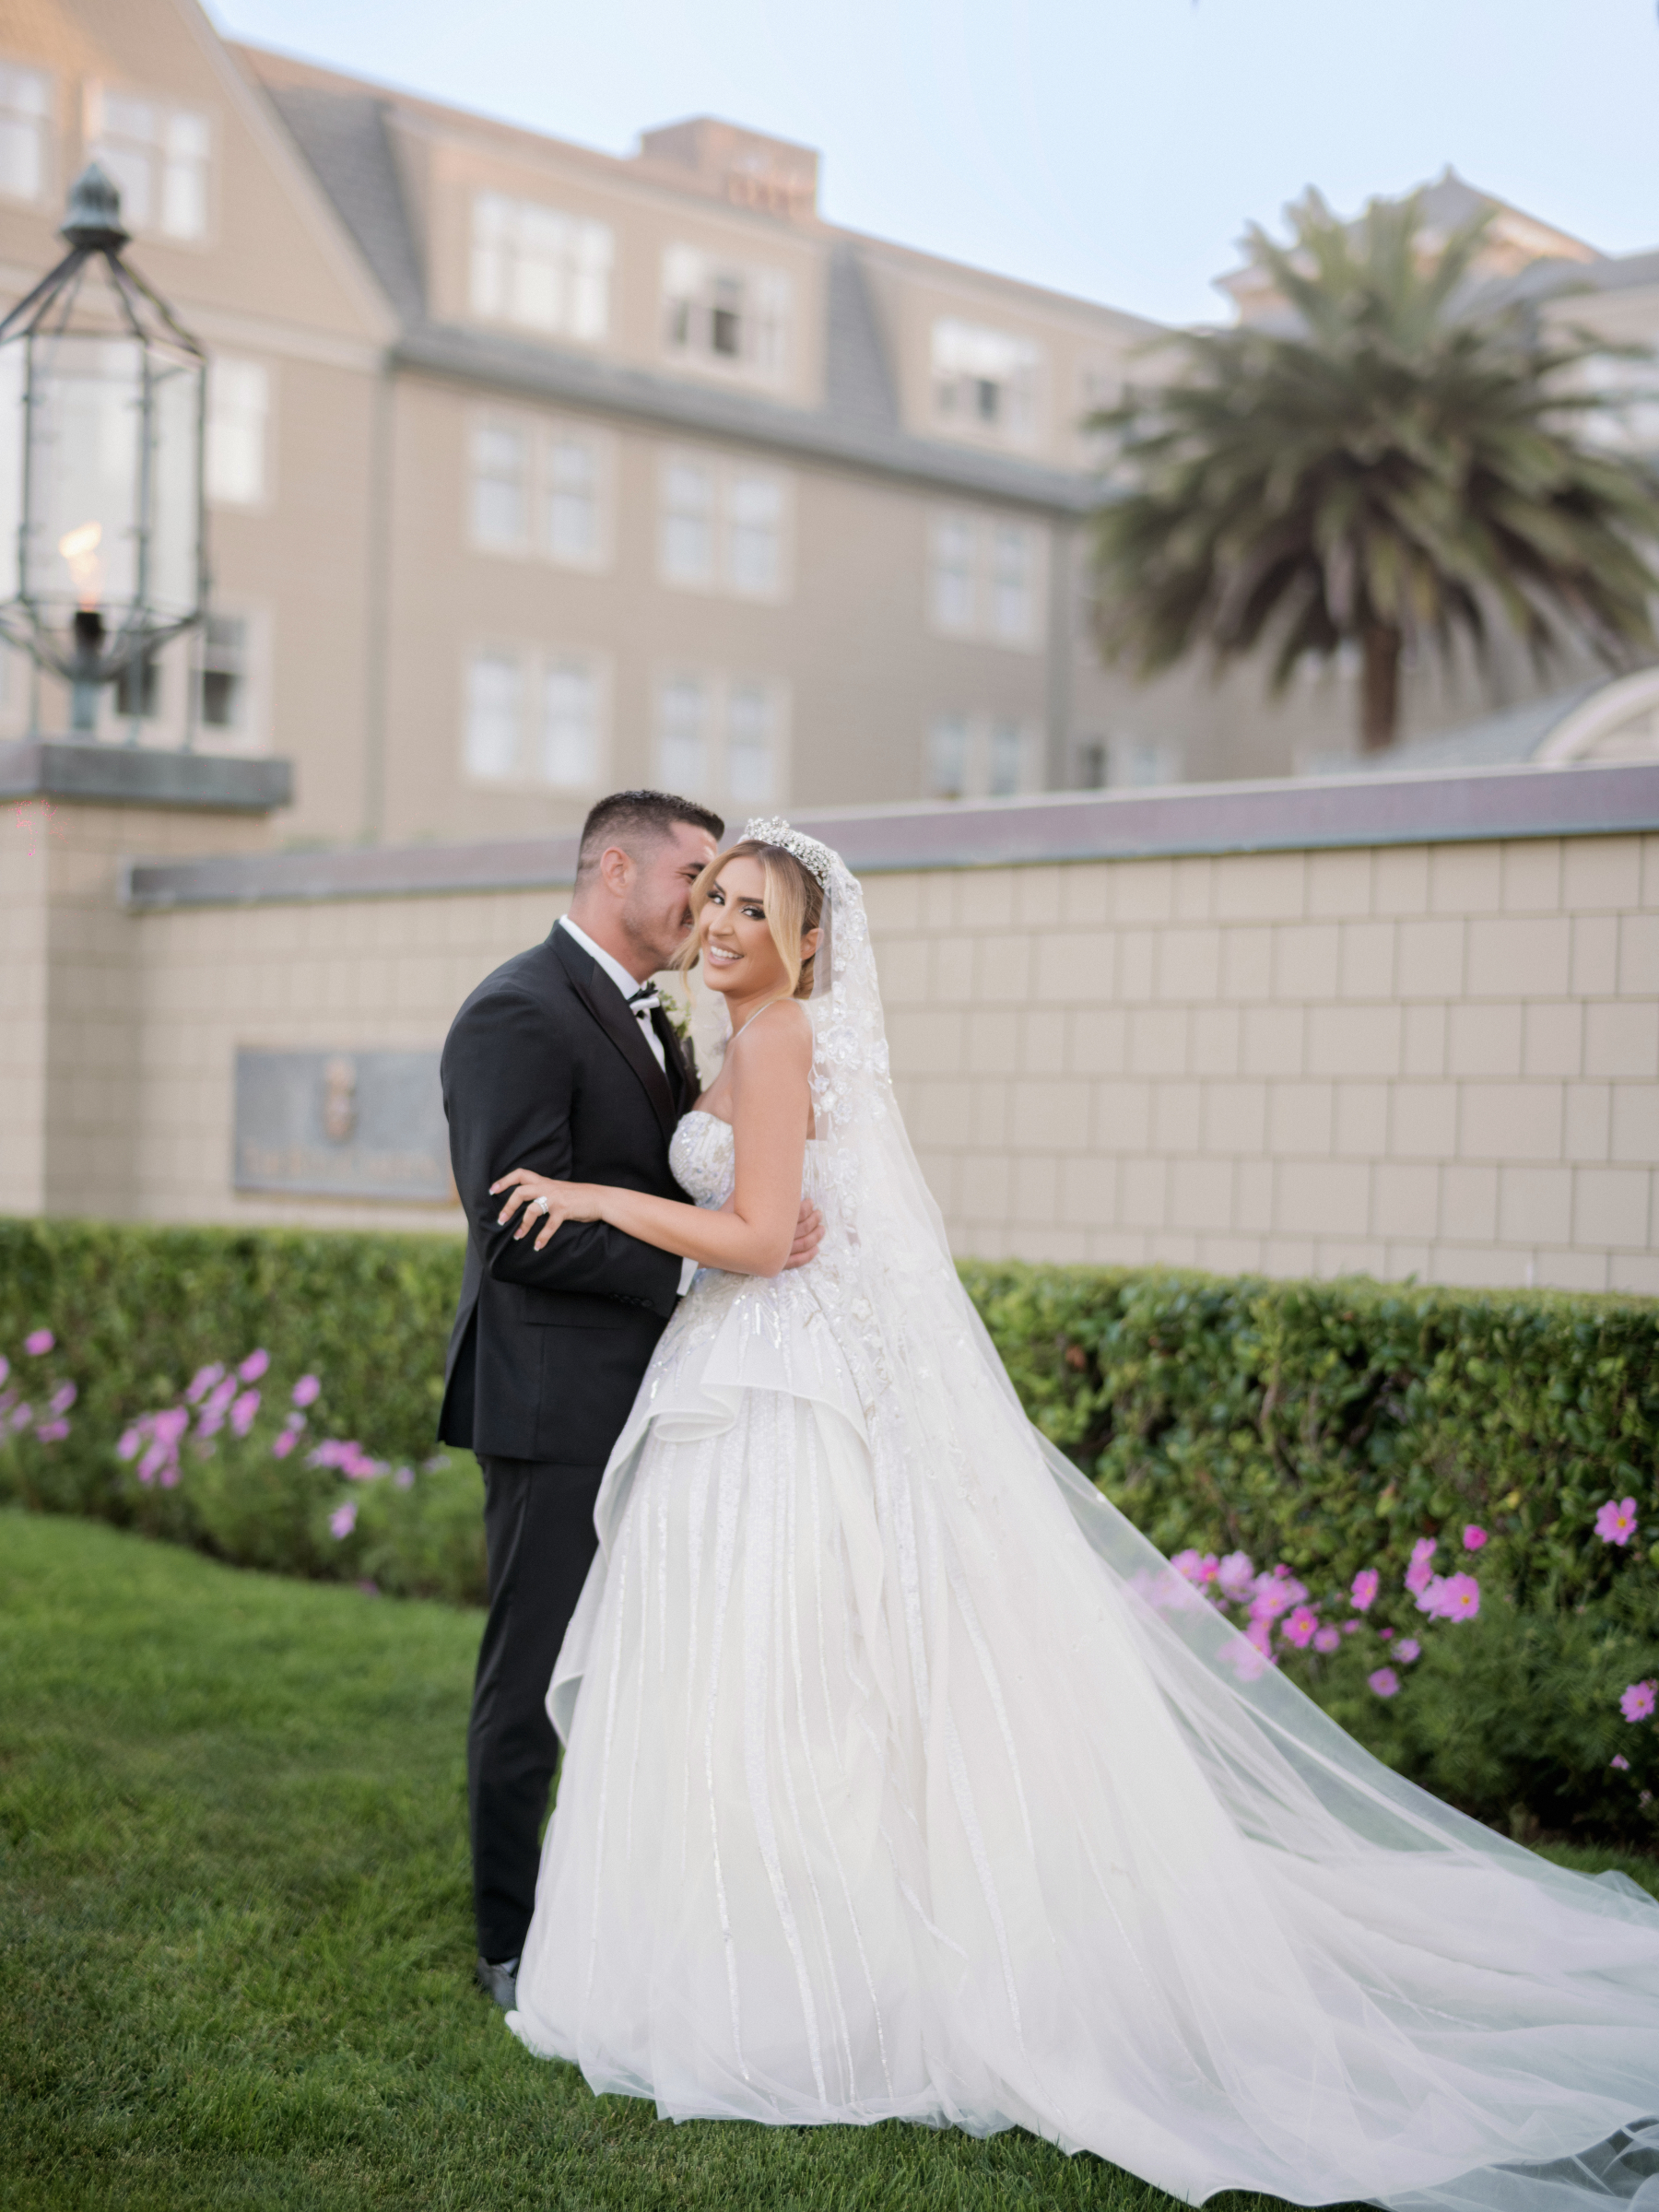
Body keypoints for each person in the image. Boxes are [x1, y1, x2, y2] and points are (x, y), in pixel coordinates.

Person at [488, 818, 1659, 2212]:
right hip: (744, 1366)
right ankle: (718, 1945)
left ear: (806, 943)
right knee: (742, 1666)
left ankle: (812, 1979)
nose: (728, 921)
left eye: (756, 907)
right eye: (719, 898)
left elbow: (753, 1235)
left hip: (782, 1382)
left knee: (795, 1667)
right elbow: (763, 1222)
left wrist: (594, 1195)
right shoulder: (734, 1039)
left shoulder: (782, 1036)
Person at [437, 791, 822, 2009]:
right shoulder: (517, 1009)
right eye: (695, 877)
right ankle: (509, 1940)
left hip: (662, 1392)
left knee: (646, 1663)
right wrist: (707, 1266)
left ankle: (619, 1909)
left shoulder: (664, 1018)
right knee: (532, 1675)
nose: (707, 906)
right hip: (554, 1404)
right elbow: (517, 1227)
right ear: (615, 867)